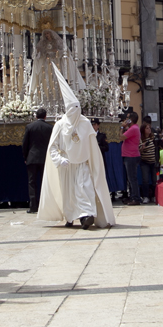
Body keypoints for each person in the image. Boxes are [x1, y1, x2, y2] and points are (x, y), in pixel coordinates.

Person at [38, 66, 115, 229]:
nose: (76, 111)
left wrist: (93, 163)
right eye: (73, 108)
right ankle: (70, 217)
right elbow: (52, 147)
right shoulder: (59, 125)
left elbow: (93, 145)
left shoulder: (85, 123)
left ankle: (87, 216)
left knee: (85, 189)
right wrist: (59, 160)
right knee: (69, 194)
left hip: (83, 164)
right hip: (67, 165)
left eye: (77, 108)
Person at [22, 108, 53, 214]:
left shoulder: (30, 127)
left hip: (32, 157)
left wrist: (26, 157)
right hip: (45, 158)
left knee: (32, 182)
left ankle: (33, 206)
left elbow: (25, 143)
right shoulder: (50, 127)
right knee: (45, 182)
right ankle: (46, 205)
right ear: (45, 116)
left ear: (36, 116)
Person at [120, 111, 142, 205]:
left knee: (132, 178)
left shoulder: (133, 128)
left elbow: (121, 137)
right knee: (130, 178)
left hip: (131, 156)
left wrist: (122, 127)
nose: (126, 120)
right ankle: (132, 196)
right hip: (129, 155)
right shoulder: (133, 128)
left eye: (127, 118)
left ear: (131, 120)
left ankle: (135, 198)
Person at [139, 122, 159, 203]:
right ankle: (146, 196)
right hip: (145, 162)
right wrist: (142, 147)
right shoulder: (141, 139)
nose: (149, 129)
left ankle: (154, 196)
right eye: (147, 128)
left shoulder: (153, 138)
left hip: (153, 162)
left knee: (154, 180)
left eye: (149, 128)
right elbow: (139, 150)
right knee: (145, 180)